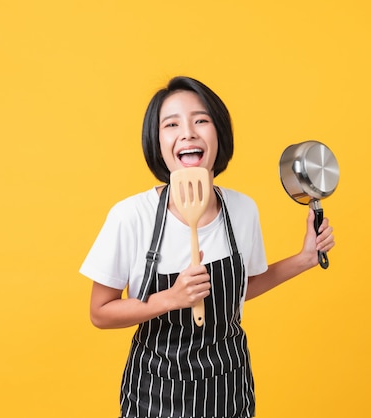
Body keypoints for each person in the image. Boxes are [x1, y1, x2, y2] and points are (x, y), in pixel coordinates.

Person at [80, 76, 335, 418]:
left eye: (201, 120)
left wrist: (304, 259)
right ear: (157, 142)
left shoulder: (242, 209)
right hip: (157, 394)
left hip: (229, 388)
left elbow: (243, 287)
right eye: (171, 124)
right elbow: (100, 312)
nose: (188, 132)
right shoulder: (130, 217)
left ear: (219, 135)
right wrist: (170, 298)